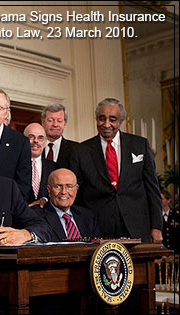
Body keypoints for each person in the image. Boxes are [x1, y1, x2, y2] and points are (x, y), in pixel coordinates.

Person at [70, 98, 162, 243]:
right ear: (96, 119)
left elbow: (152, 188)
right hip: (97, 227)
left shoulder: (140, 145)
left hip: (137, 225)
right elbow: (76, 192)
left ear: (120, 121)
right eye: (102, 118)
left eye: (112, 119)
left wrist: (157, 227)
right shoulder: (81, 151)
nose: (106, 124)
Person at [40, 169, 101, 241]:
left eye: (69, 187)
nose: (63, 192)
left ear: (76, 189)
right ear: (49, 190)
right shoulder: (38, 216)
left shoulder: (88, 216)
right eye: (58, 186)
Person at [23, 123, 57, 206]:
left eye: (40, 138)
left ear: (45, 142)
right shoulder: (14, 165)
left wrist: (45, 199)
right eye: (31, 137)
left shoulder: (54, 167)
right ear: (23, 139)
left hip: (45, 215)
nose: (36, 141)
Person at [41, 104, 78, 169]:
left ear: (65, 124)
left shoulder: (76, 149)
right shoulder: (33, 147)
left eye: (59, 121)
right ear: (43, 122)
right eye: (50, 120)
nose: (55, 124)